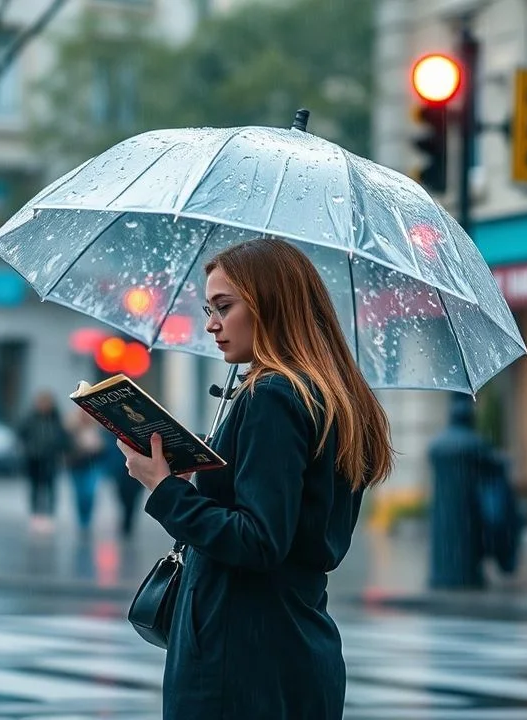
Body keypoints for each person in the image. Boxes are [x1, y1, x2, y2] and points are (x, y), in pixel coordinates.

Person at [118, 236, 394, 720]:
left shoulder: (274, 395)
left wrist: (165, 489)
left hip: (242, 659)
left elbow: (260, 540)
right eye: (208, 307)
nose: (211, 324)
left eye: (224, 306)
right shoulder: (327, 395)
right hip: (295, 643)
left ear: (271, 305)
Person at [16, 391, 69, 531]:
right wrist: (28, 448)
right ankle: (35, 515)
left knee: (50, 487)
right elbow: (21, 434)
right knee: (35, 487)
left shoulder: (56, 419)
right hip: (33, 458)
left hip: (50, 459)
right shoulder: (30, 418)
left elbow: (63, 438)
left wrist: (60, 449)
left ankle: (49, 516)